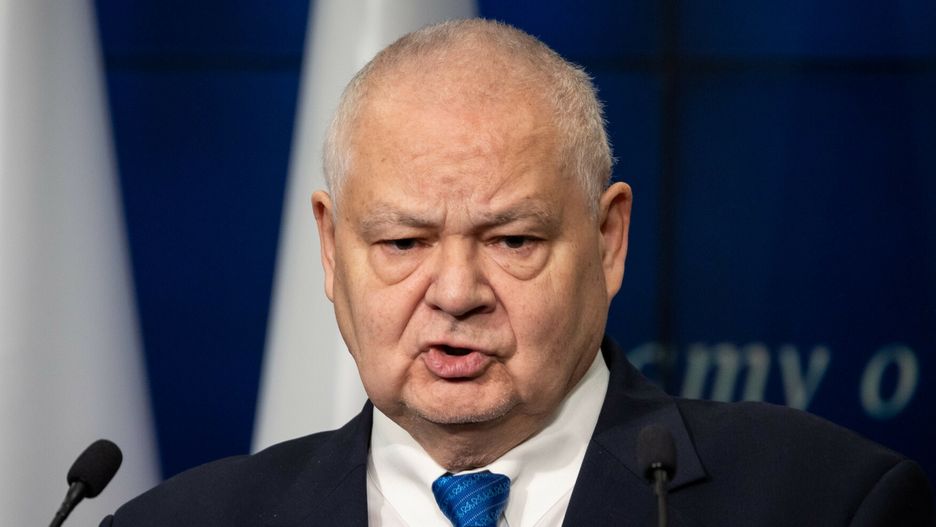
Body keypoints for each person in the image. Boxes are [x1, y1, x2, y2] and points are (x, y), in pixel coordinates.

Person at [101, 19, 934, 527]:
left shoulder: (827, 503)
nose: (456, 293)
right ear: (330, 248)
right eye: (403, 243)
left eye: (511, 240)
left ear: (607, 238)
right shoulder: (174, 525)